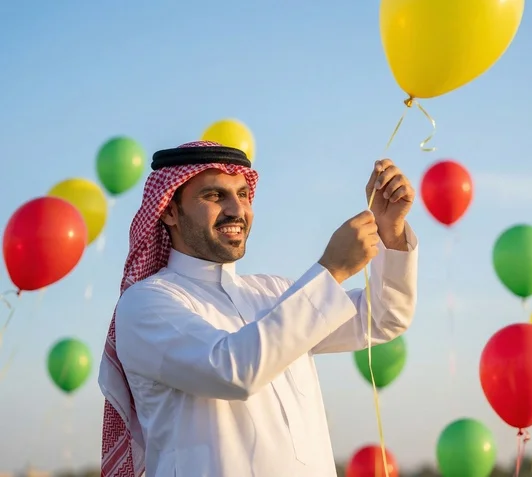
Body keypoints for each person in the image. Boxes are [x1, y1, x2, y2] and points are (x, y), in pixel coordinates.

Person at [97, 140, 419, 477]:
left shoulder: (274, 293)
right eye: (214, 196)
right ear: (169, 211)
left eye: (243, 195)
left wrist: (392, 232)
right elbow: (233, 372)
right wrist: (333, 270)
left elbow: (385, 317)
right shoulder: (145, 303)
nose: (236, 210)